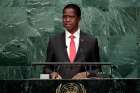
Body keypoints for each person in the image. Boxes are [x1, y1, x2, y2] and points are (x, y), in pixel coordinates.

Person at [43, 4, 100, 79]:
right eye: (65, 17)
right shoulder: (54, 41)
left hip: (83, 88)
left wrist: (86, 74)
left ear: (79, 19)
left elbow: (97, 69)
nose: (67, 20)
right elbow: (46, 68)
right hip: (59, 88)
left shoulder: (91, 41)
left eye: (71, 17)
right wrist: (52, 73)